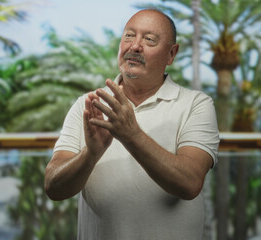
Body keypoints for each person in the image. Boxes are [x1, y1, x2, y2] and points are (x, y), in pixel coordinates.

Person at [44, 9, 219, 240]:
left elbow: (190, 183)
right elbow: (53, 187)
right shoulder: (87, 105)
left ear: (171, 54)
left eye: (149, 40)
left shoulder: (196, 105)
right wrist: (91, 154)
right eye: (129, 36)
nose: (135, 46)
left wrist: (131, 134)